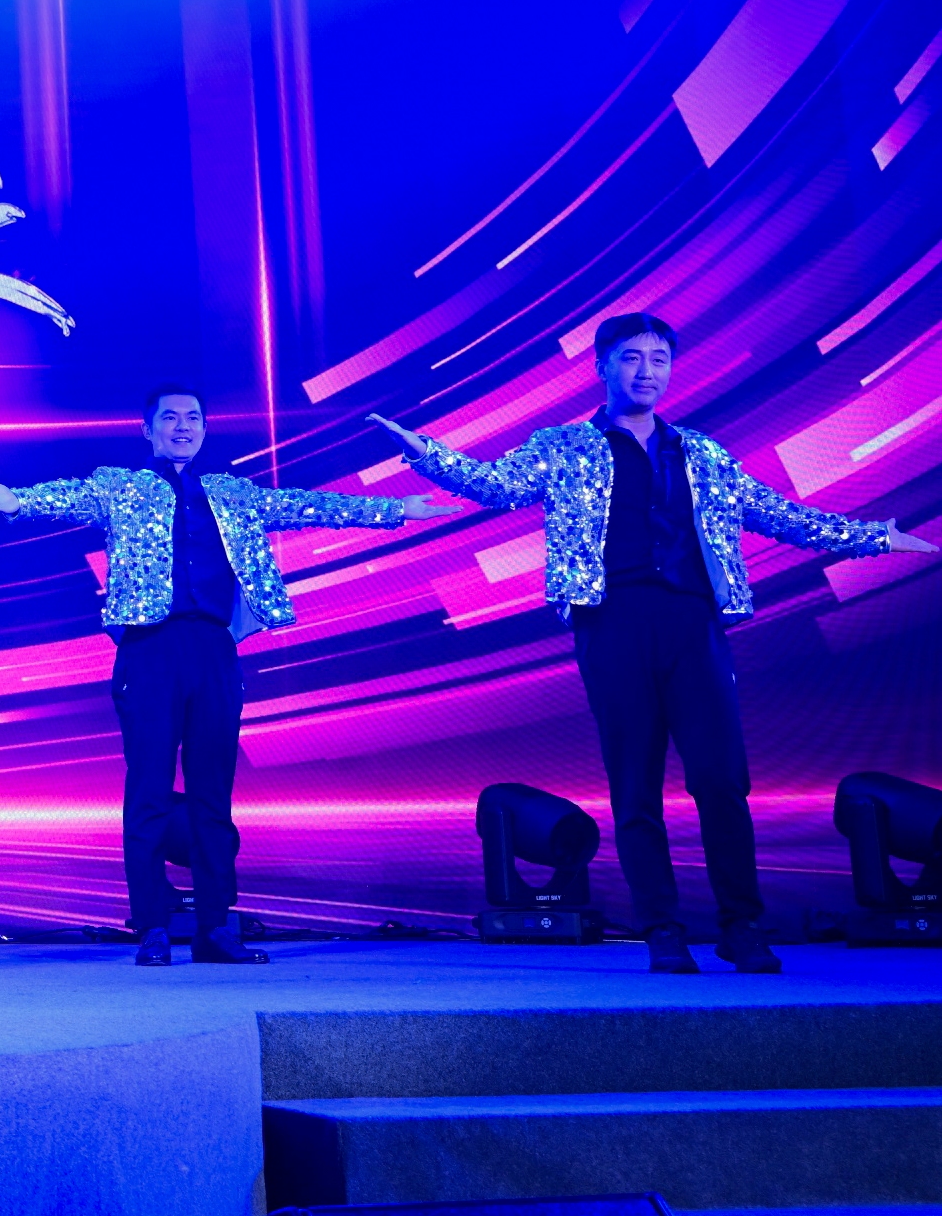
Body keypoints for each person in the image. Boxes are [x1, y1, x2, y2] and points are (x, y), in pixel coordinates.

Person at [375, 311, 932, 974]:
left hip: (692, 624)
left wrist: (875, 537)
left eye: (659, 359)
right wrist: (426, 453)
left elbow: (781, 515)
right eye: (632, 357)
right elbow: (495, 484)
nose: (647, 371)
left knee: (721, 780)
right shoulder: (564, 446)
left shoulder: (702, 453)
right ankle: (662, 929)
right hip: (612, 623)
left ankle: (741, 926)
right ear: (602, 367)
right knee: (635, 784)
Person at [0, 386, 450, 967]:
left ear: (204, 428)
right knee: (148, 790)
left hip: (214, 649)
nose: (183, 426)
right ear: (147, 429)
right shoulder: (122, 486)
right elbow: (70, 497)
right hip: (149, 649)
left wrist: (397, 510)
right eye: (170, 418)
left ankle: (216, 928)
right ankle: (151, 926)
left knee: (213, 793)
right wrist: (18, 502)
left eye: (193, 418)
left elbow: (306, 505)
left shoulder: (232, 492)